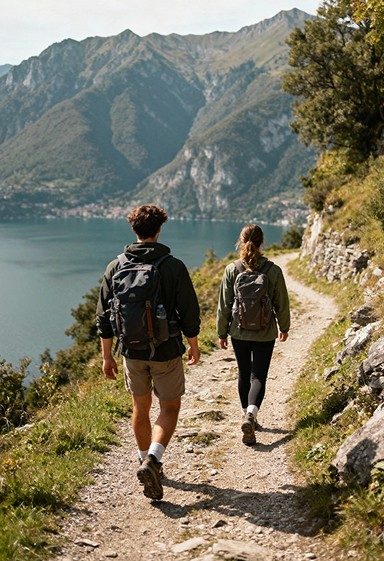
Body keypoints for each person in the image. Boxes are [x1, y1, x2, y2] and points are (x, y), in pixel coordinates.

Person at [96, 204, 201, 500]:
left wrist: (107, 356)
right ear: (159, 230)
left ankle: (144, 457)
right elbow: (189, 310)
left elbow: (103, 317)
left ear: (134, 230)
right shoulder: (172, 265)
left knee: (140, 409)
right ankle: (153, 460)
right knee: (169, 408)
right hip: (166, 351)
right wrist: (193, 343)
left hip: (131, 351)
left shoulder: (115, 267)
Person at [216, 223, 290, 445]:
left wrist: (221, 332)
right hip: (265, 332)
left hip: (238, 332)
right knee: (258, 375)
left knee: (243, 372)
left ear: (241, 241)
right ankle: (252, 414)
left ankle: (246, 415)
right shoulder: (273, 270)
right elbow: (282, 303)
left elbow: (224, 306)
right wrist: (284, 327)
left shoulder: (232, 269)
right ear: (262, 243)